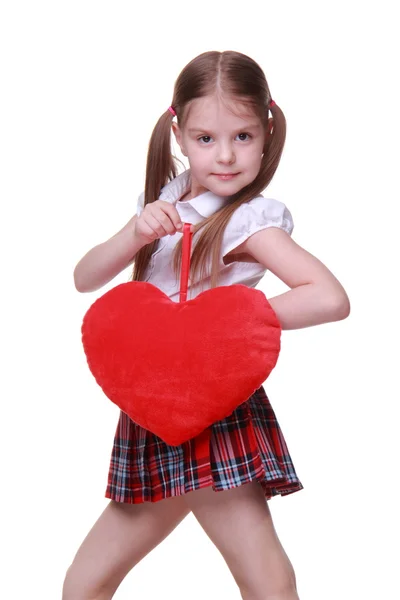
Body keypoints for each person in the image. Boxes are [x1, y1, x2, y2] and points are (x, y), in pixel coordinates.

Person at [64, 50, 350, 600]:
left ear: (267, 131)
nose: (224, 156)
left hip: (215, 408)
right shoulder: (168, 201)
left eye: (242, 137)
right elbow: (84, 278)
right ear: (178, 133)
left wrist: (225, 328)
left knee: (265, 580)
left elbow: (330, 298)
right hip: (153, 409)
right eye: (205, 139)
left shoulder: (248, 220)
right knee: (85, 584)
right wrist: (134, 232)